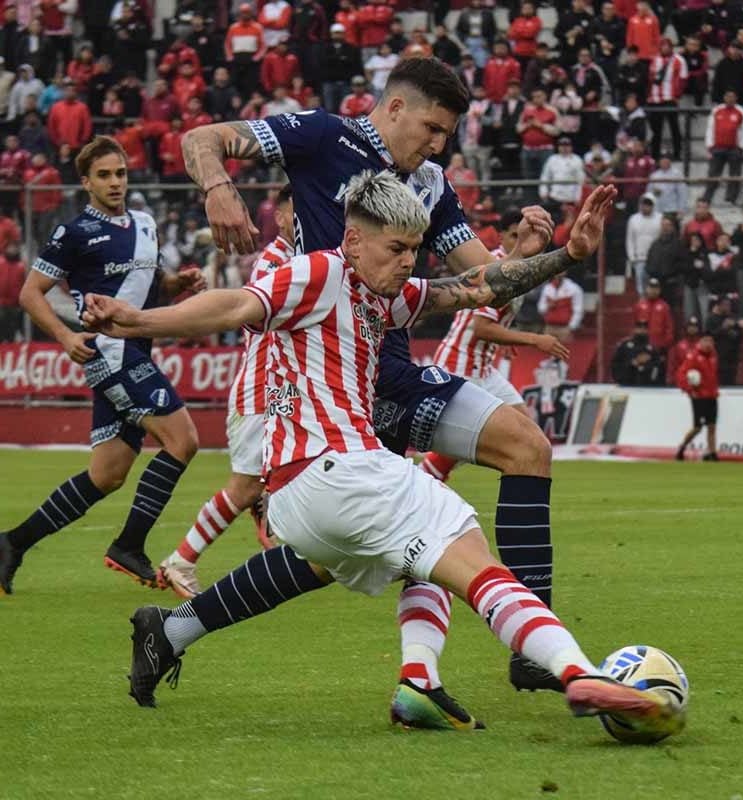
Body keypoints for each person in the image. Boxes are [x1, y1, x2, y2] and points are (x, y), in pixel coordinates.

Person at [84, 175, 678, 743]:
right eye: (396, 249)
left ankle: (176, 631)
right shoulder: (320, 272)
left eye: (414, 249)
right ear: (353, 240)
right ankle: (579, 674)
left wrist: (568, 256)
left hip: (300, 497)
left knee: (412, 555)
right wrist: (138, 321)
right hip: (339, 470)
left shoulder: (387, 296)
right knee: (467, 550)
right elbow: (234, 306)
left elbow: (479, 287)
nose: (407, 262)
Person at [173, 57, 585, 705]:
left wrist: (539, 254)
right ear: (394, 108)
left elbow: (482, 280)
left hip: (389, 370)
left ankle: (518, 657)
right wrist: (219, 188)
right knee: (351, 549)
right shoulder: (321, 135)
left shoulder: (430, 183)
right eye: (432, 128)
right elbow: (202, 138)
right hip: (325, 380)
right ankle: (175, 628)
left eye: (447, 134)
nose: (438, 145)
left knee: (514, 455)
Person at [0, 137, 206, 596]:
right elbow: (30, 293)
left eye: (121, 173)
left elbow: (149, 288)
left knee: (108, 474)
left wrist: (178, 283)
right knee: (183, 440)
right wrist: (66, 336)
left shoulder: (146, 224)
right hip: (111, 353)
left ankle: (11, 543)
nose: (115, 182)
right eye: (105, 175)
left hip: (135, 350)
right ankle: (128, 545)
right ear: (86, 182)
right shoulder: (74, 233)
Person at [159, 186, 294, 598]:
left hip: (283, 390)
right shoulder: (275, 262)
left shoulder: (301, 258)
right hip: (260, 389)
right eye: (298, 211)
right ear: (281, 217)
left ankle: (278, 524)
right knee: (244, 486)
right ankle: (181, 559)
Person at [422, 209, 570, 483]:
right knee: (469, 440)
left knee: (528, 433)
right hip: (460, 364)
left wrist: (504, 339)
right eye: (514, 235)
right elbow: (481, 327)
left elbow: (491, 322)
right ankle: (424, 482)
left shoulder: (520, 269)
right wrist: (535, 339)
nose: (521, 240)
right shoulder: (497, 266)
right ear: (500, 236)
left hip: (484, 367)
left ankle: (432, 477)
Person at [675, 333, 719, 461]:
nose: (708, 344)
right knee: (697, 428)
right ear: (700, 342)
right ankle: (682, 447)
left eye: (710, 341)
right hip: (699, 397)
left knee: (712, 426)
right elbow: (681, 374)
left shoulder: (713, 356)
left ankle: (712, 453)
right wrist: (689, 390)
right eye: (706, 341)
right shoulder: (693, 357)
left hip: (712, 396)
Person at [702, 90, 743, 205]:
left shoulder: (742, 111)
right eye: (727, 96)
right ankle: (707, 199)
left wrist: (741, 147)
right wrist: (709, 145)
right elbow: (710, 128)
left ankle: (731, 198)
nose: (730, 99)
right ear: (724, 97)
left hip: (734, 149)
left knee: (735, 175)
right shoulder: (716, 110)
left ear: (736, 98)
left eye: (732, 96)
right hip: (717, 148)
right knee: (713, 174)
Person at [625, 192, 662, 295]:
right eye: (644, 204)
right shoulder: (633, 219)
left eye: (649, 204)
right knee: (641, 286)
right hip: (639, 259)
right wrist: (632, 257)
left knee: (654, 285)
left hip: (655, 259)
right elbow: (630, 240)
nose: (646, 207)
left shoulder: (660, 218)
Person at [611, 318, 664, 385]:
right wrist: (631, 363)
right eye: (639, 328)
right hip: (626, 383)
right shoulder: (625, 346)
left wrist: (645, 366)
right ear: (634, 329)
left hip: (646, 384)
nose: (642, 330)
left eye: (644, 328)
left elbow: (657, 367)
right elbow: (616, 364)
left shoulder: (652, 348)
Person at [537, 272, 585, 340]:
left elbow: (578, 310)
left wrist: (571, 327)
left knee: (565, 347)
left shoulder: (574, 288)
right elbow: (540, 308)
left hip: (564, 328)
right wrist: (548, 306)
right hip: (549, 327)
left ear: (565, 273)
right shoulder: (548, 288)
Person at [633, 276, 674, 353]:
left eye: (656, 288)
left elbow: (669, 327)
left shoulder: (664, 307)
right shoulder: (639, 305)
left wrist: (665, 344)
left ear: (659, 290)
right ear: (647, 289)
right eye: (651, 288)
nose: (653, 291)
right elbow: (634, 324)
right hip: (642, 346)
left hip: (659, 347)